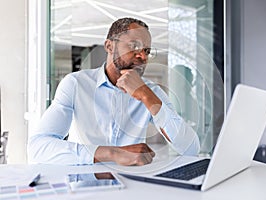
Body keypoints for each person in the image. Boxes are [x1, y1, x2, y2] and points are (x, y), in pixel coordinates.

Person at [28, 17, 200, 166]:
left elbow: (190, 148)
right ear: (109, 46)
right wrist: (113, 153)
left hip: (133, 188)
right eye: (135, 46)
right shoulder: (76, 84)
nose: (143, 57)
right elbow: (38, 147)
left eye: (147, 51)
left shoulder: (151, 92)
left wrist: (146, 96)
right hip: (85, 189)